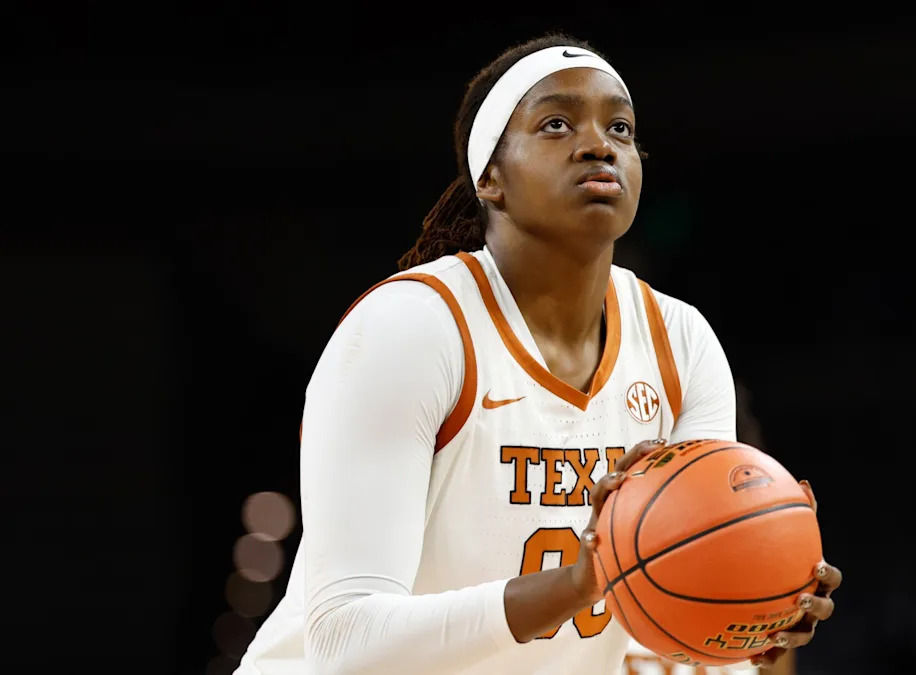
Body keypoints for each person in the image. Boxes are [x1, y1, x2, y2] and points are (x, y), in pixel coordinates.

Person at [234, 33, 841, 675]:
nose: (598, 144)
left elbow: (679, 606)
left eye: (620, 128)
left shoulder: (681, 341)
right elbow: (346, 644)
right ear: (489, 178)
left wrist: (751, 603)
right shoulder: (411, 327)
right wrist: (576, 584)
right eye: (556, 124)